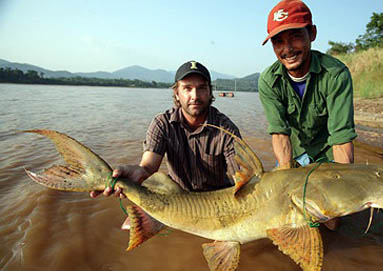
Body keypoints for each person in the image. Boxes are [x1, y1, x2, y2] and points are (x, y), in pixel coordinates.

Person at [259, 0, 357, 230]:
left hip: (326, 151)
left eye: (295, 36)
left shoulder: (336, 75)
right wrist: (287, 181)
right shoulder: (268, 81)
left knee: (332, 223)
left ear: (312, 33)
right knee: (284, 217)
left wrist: (341, 191)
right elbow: (280, 134)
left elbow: (342, 139)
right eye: (278, 41)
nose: (287, 49)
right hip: (294, 153)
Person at [90, 60, 241, 201]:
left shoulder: (226, 129)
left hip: (217, 200)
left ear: (209, 92)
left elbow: (242, 177)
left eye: (201, 88)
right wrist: (131, 176)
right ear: (176, 92)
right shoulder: (162, 124)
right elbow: (148, 167)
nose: (195, 96)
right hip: (176, 198)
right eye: (187, 88)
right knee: (132, 227)